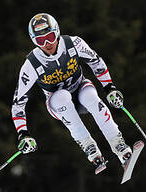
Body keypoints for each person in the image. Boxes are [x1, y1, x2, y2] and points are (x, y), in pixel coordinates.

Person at [12, 13, 132, 174]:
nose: (47, 43)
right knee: (62, 97)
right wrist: (23, 133)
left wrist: (109, 87)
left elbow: (96, 61)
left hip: (81, 89)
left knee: (89, 96)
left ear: (57, 32)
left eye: (50, 36)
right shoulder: (31, 64)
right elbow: (18, 103)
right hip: (57, 102)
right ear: (34, 41)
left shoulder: (73, 43)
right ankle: (91, 149)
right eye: (40, 40)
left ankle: (119, 145)